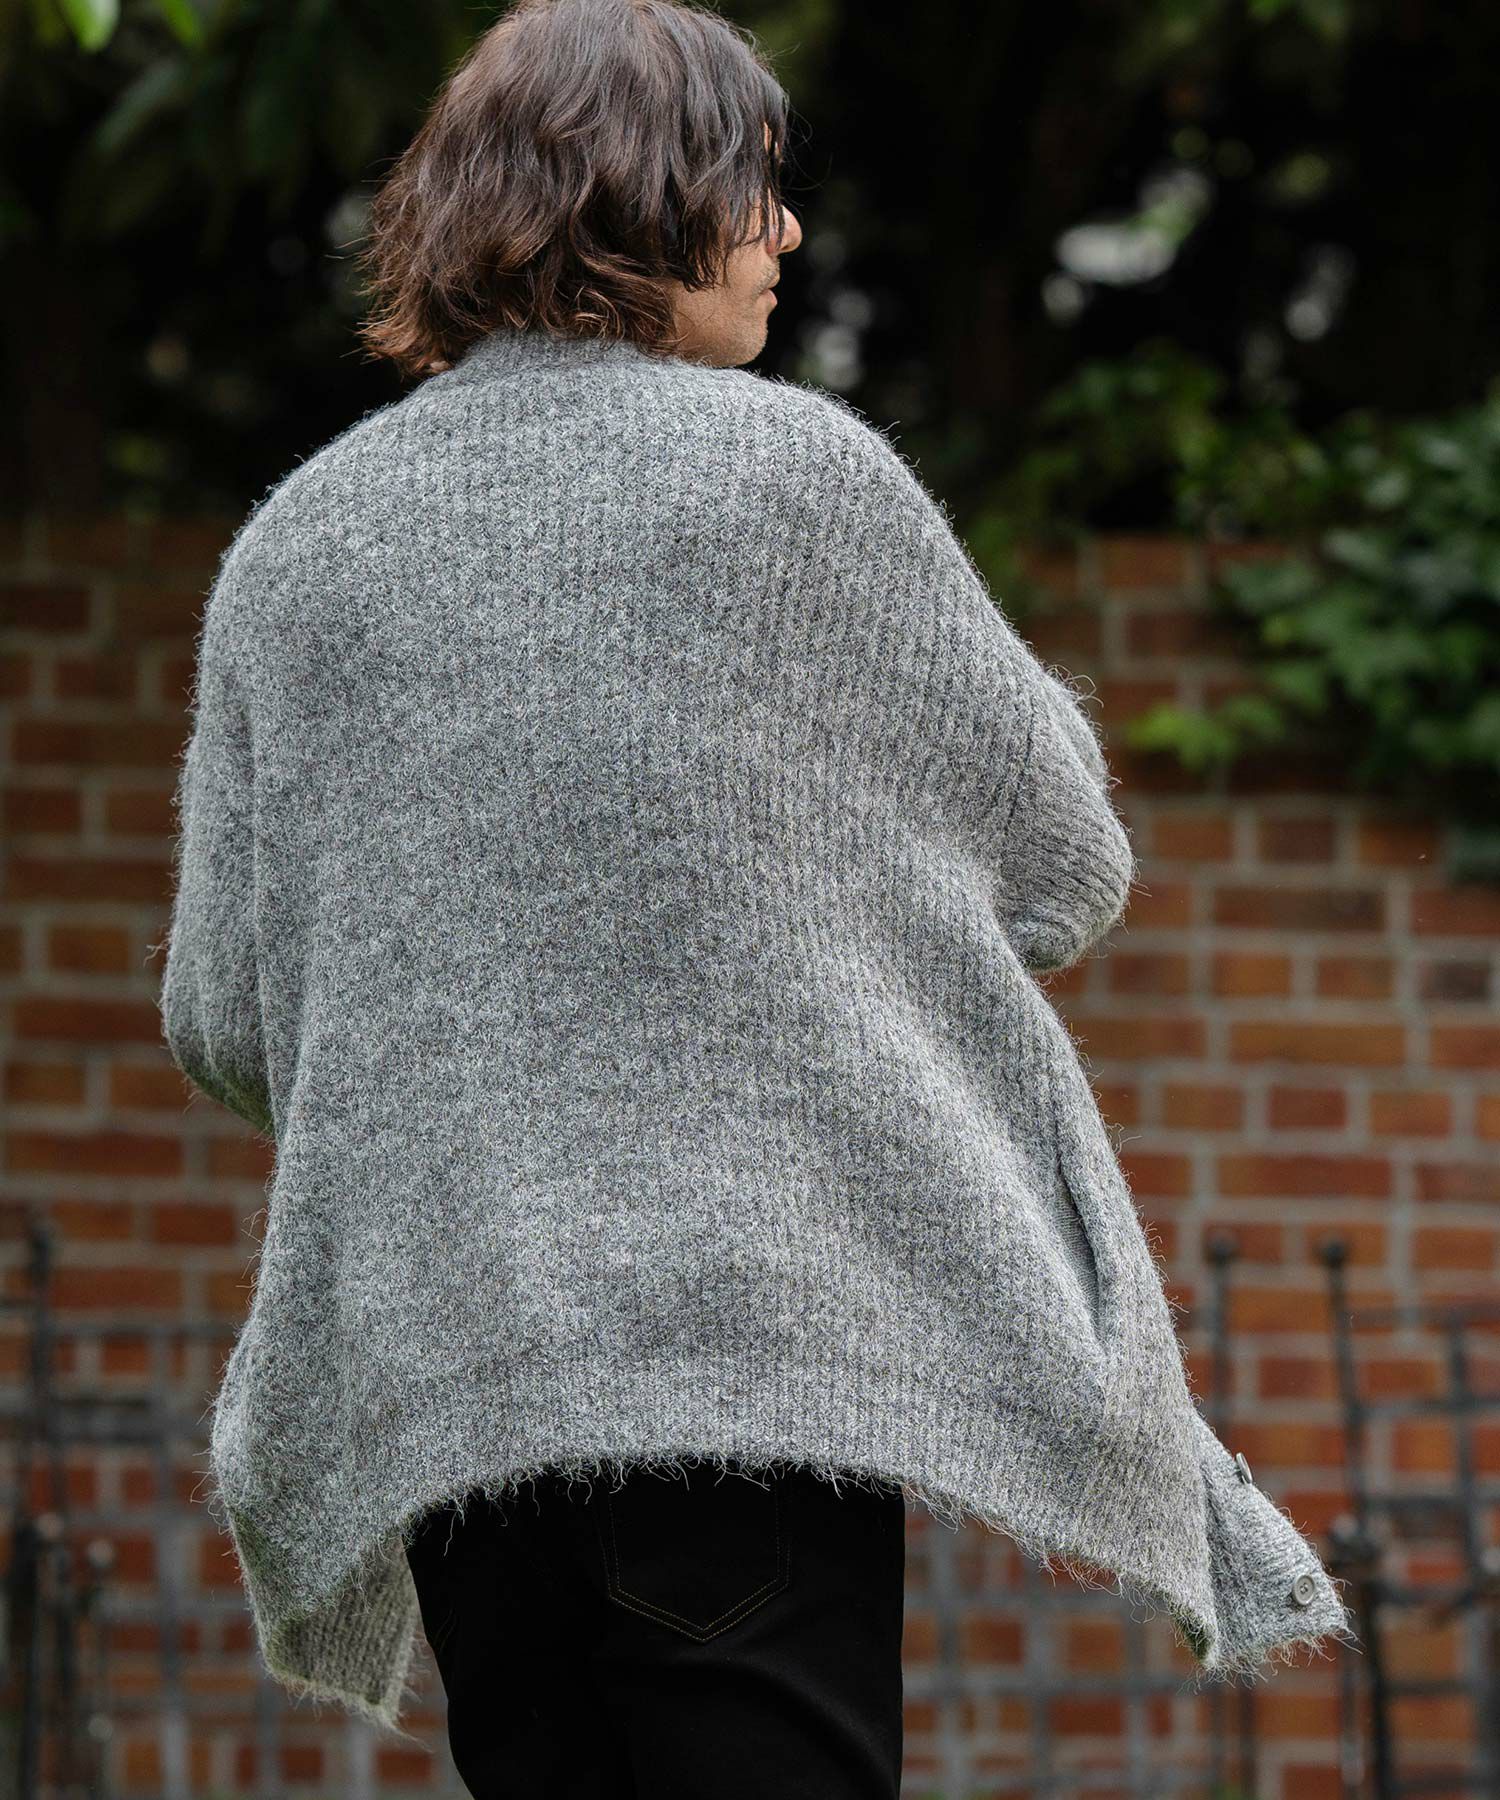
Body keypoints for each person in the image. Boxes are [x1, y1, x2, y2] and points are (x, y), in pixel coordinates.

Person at [156, 0, 1358, 1795]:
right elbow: (1063, 862)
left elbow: (225, 1018)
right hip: (738, 1383)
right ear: (640, 197)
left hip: (449, 1398)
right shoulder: (798, 485)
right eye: (752, 187)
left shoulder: (295, 551)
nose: (786, 232)